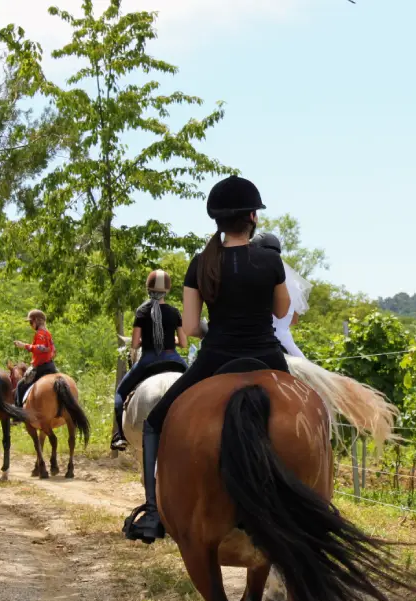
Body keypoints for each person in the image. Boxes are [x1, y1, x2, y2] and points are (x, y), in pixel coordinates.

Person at [122, 174, 292, 544]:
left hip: (216, 359)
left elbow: (191, 326)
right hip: (267, 356)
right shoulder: (269, 261)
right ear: (253, 217)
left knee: (154, 421)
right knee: (314, 412)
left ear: (216, 220)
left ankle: (153, 513)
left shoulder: (201, 263)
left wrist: (214, 328)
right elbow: (282, 311)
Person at [109, 270, 189, 451]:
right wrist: (170, 340)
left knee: (120, 394)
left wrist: (149, 340)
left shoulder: (142, 312)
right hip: (173, 357)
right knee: (199, 383)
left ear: (148, 289)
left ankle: (120, 436)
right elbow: (183, 343)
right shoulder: (174, 312)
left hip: (149, 359)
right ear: (167, 290)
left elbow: (135, 344)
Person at [249, 232, 311, 358]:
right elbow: (294, 320)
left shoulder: (252, 276)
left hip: (256, 340)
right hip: (285, 341)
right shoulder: (293, 283)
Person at [13, 309, 58, 408]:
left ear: (37, 320)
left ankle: (18, 414)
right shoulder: (48, 334)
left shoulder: (40, 334)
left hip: (40, 368)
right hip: (51, 366)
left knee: (20, 385)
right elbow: (54, 351)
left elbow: (40, 348)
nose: (30, 324)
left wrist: (24, 345)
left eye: (31, 322)